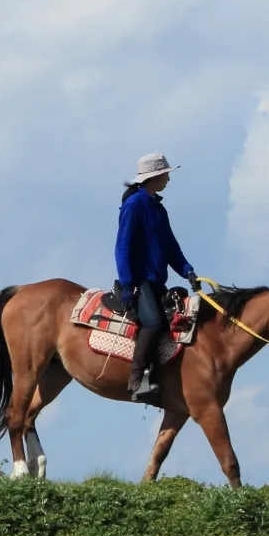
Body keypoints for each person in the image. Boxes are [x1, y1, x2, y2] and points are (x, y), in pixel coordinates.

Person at [114, 152, 199, 405]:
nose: (168, 180)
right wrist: (128, 286)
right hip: (140, 282)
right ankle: (137, 379)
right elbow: (123, 248)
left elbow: (171, 247)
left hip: (155, 282)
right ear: (155, 177)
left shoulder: (158, 209)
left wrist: (188, 271)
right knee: (152, 323)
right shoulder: (134, 205)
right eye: (166, 175)